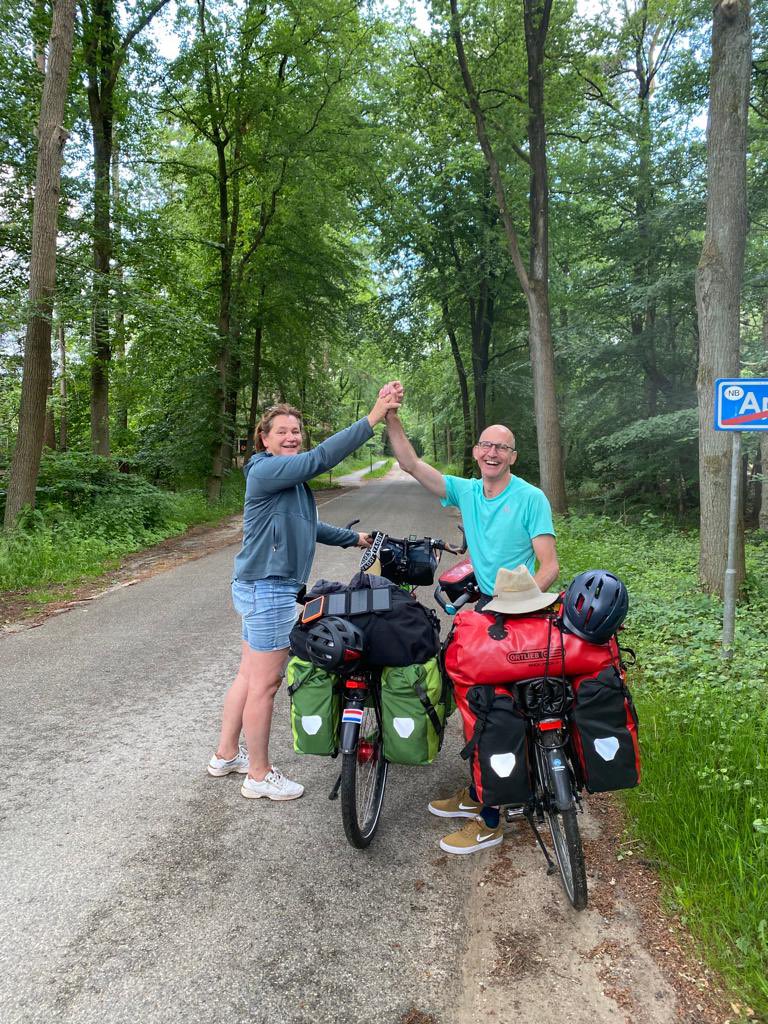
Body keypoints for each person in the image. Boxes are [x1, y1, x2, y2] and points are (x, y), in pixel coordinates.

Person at [207, 391, 402, 801]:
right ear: (264, 439)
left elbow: (308, 525)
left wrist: (355, 539)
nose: (291, 437)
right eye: (282, 431)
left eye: (295, 431)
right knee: (266, 684)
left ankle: (226, 754)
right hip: (269, 587)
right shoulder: (265, 470)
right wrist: (372, 418)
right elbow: (321, 459)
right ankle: (258, 774)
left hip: (260, 585)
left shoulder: (289, 481)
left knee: (248, 675)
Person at [385, 400, 559, 854]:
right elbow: (410, 463)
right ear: (477, 452)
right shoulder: (466, 491)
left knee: (494, 709)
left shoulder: (530, 498)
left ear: (513, 456)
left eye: (502, 447)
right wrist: (391, 416)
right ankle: (483, 789)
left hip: (520, 613)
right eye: (486, 445)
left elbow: (549, 566)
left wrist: (518, 604)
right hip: (485, 611)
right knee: (470, 701)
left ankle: (492, 816)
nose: (492, 452)